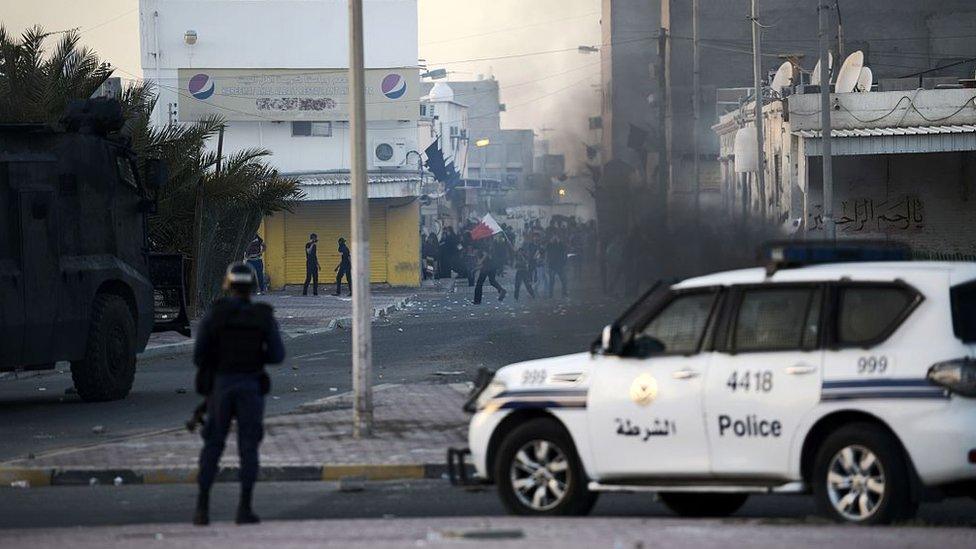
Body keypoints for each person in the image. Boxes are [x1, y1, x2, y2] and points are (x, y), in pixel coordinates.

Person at [193, 262, 285, 526]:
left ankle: (202, 508)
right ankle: (244, 508)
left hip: (221, 387)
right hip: (251, 386)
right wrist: (256, 356)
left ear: (228, 285)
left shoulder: (215, 315)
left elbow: (200, 356)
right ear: (253, 287)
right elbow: (277, 355)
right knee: (248, 447)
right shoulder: (263, 316)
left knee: (213, 445)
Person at [546, 232, 569, 298]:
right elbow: (547, 249)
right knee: (552, 281)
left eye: (556, 236)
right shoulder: (550, 245)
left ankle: (564, 293)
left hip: (559, 265)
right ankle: (551, 294)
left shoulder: (560, 245)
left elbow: (564, 249)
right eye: (554, 237)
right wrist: (551, 241)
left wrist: (559, 242)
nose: (555, 238)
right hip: (552, 265)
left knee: (564, 280)